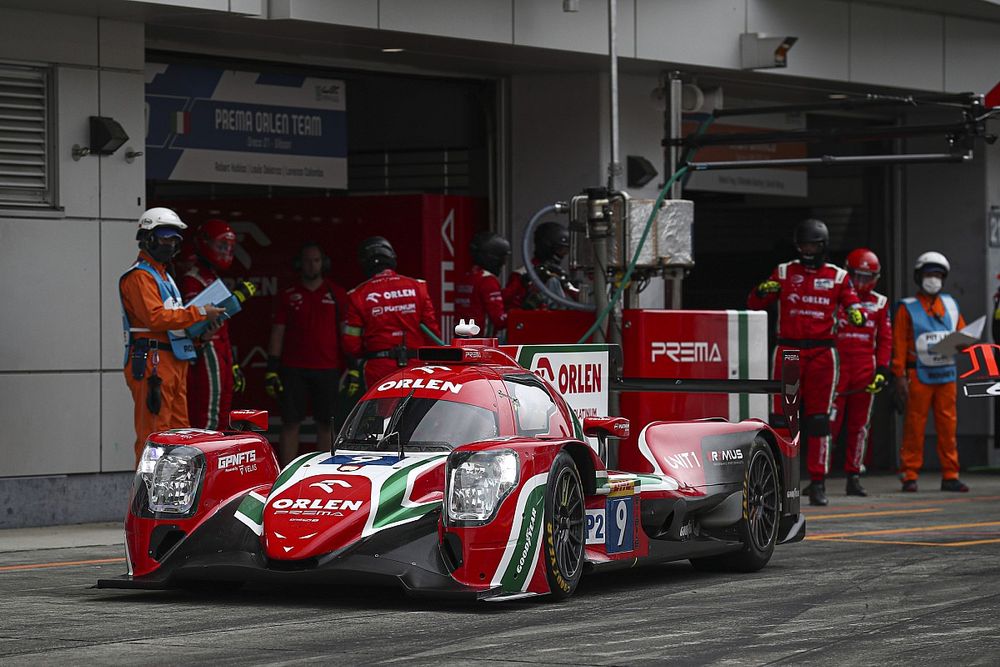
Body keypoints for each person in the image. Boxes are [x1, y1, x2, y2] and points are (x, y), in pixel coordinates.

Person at [747, 218, 865, 506]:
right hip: (789, 351)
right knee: (783, 418)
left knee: (819, 420)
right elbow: (754, 303)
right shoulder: (785, 271)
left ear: (823, 245)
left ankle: (818, 481)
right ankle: (781, 477)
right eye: (803, 244)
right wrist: (761, 291)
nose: (807, 249)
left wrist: (855, 312)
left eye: (812, 244)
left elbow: (853, 303)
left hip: (824, 354)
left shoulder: (838, 276)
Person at [119, 207, 224, 464]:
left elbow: (172, 317)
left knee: (179, 436)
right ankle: (145, 500)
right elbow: (155, 317)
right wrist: (200, 313)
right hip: (154, 362)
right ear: (147, 238)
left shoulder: (164, 276)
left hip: (174, 359)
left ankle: (171, 500)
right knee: (154, 435)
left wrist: (199, 331)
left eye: (175, 238)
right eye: (165, 236)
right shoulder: (139, 277)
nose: (171, 243)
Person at [892, 251, 969, 493]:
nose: (933, 279)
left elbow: (964, 336)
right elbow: (899, 345)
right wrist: (899, 376)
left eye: (937, 275)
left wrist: (963, 341)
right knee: (914, 426)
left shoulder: (951, 305)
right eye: (928, 274)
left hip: (946, 375)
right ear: (919, 277)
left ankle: (950, 474)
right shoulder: (907, 308)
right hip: (918, 376)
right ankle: (909, 474)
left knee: (948, 426)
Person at [265, 242, 348, 465]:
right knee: (291, 422)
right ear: (299, 264)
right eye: (308, 261)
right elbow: (278, 332)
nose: (312, 266)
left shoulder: (337, 293)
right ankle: (285, 473)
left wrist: (352, 365)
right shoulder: (288, 294)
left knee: (326, 424)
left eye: (316, 260)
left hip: (328, 369)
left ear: (323, 263)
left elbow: (345, 334)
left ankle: (324, 470)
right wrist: (272, 368)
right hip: (293, 369)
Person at [181, 219, 256, 430]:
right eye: (221, 246)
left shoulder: (211, 277)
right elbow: (196, 324)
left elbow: (221, 327)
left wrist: (231, 363)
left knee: (223, 417)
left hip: (219, 351)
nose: (225, 252)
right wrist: (238, 298)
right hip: (206, 351)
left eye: (229, 248)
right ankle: (204, 462)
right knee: (208, 417)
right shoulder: (192, 278)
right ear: (205, 242)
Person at [830, 248, 892, 497]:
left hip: (865, 373)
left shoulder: (880, 303)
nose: (862, 283)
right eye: (858, 276)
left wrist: (883, 370)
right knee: (829, 425)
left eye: (868, 278)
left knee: (859, 427)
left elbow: (886, 341)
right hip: (836, 371)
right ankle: (818, 477)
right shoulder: (836, 298)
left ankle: (854, 476)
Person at [343, 236, 441, 390]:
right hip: (416, 368)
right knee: (415, 413)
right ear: (391, 257)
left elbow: (351, 346)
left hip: (378, 368)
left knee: (382, 413)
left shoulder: (357, 295)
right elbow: (432, 336)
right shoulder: (418, 287)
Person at [503, 221, 579, 310]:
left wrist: (571, 285)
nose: (563, 255)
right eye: (560, 250)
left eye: (565, 251)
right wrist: (527, 284)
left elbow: (577, 303)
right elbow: (507, 304)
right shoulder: (522, 274)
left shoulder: (559, 275)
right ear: (547, 247)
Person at [455, 232, 511, 337]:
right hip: (481, 343)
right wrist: (520, 313)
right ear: (493, 258)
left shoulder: (466, 278)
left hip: (462, 339)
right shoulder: (488, 280)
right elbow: (499, 320)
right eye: (502, 259)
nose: (503, 264)